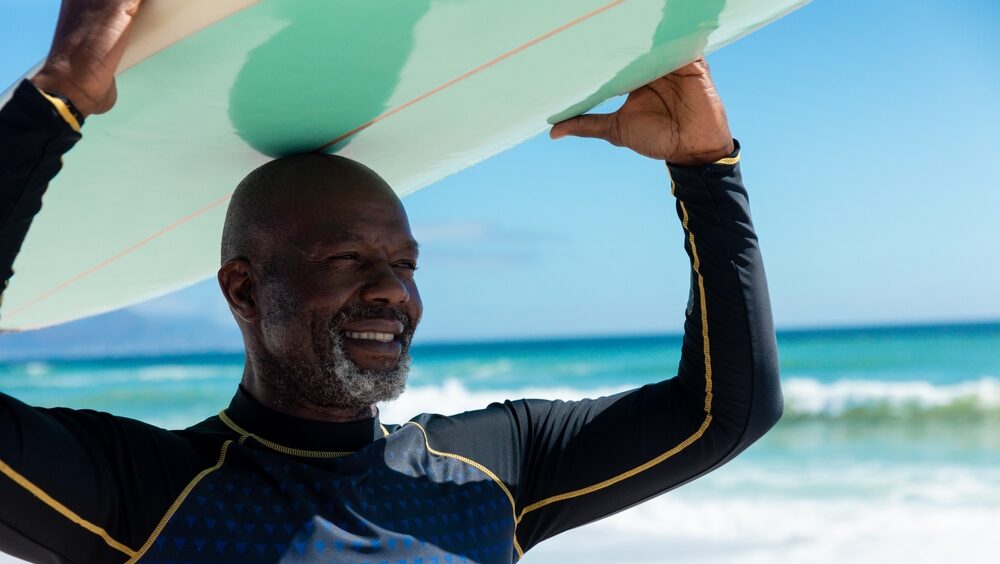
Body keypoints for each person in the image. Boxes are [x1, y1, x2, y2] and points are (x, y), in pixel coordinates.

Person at [0, 1, 782, 562]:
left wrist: (705, 171)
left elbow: (726, 414)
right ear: (242, 290)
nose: (391, 292)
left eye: (404, 264)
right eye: (346, 260)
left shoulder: (492, 472)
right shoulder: (145, 493)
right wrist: (57, 98)